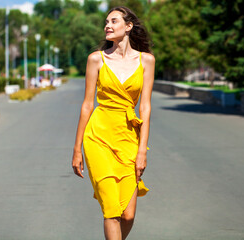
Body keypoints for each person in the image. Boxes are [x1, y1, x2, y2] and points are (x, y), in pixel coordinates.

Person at [72, 6, 155, 240]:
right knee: (111, 210)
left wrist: (142, 151)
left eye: (114, 21)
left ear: (128, 27)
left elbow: (145, 108)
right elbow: (87, 105)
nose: (107, 25)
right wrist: (77, 149)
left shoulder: (146, 61)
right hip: (98, 136)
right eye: (106, 22)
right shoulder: (96, 59)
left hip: (128, 138)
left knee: (127, 215)